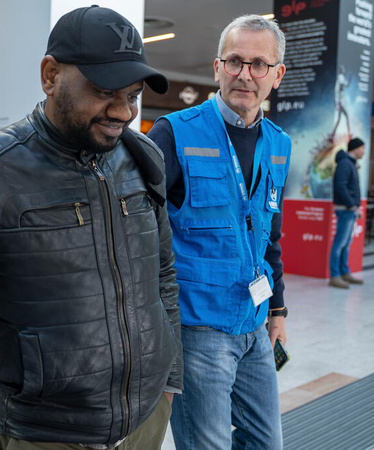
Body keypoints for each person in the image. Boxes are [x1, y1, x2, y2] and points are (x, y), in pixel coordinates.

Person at [0, 6, 181, 450]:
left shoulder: (142, 158)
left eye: (133, 95)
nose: (123, 111)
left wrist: (169, 377)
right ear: (50, 76)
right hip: (44, 433)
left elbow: (163, 275)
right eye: (104, 91)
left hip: (146, 419)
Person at [147, 14, 289, 450]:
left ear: (277, 75)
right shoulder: (174, 134)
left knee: (266, 443)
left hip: (254, 324)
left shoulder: (279, 144)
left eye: (259, 64)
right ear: (217, 68)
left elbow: (270, 235)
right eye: (234, 61)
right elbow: (139, 233)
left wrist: (278, 310)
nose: (245, 74)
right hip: (197, 330)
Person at [329, 137, 365, 289]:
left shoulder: (350, 163)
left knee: (346, 243)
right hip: (345, 209)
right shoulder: (345, 164)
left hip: (350, 209)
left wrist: (356, 207)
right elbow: (340, 186)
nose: (363, 151)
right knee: (340, 243)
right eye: (362, 148)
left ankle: (344, 272)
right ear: (355, 148)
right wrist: (351, 204)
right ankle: (335, 275)